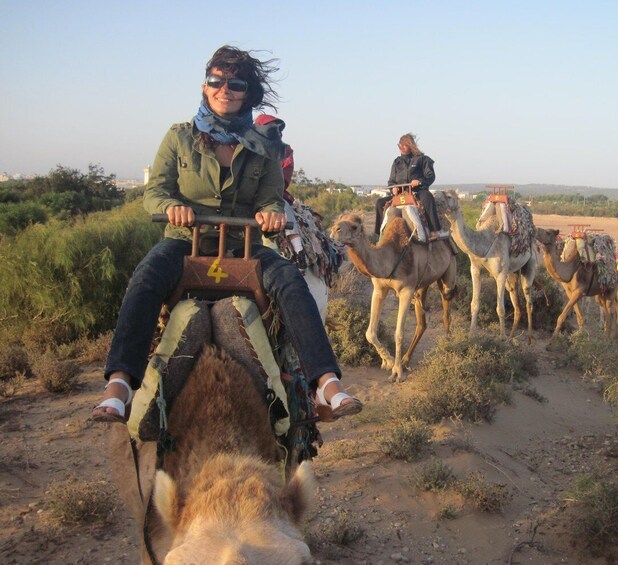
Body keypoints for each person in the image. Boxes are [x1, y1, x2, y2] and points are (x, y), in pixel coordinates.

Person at [92, 45, 361, 423]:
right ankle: (120, 383)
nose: (224, 90)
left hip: (243, 244)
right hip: (185, 242)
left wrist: (268, 216)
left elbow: (270, 199)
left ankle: (326, 383)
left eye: (235, 84)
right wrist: (171, 207)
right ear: (205, 87)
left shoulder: (266, 146)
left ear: (247, 93)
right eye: (216, 81)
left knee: (290, 279)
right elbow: (153, 193)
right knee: (146, 277)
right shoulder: (179, 137)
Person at [253, 113, 307, 271]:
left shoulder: (284, 152)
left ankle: (298, 250)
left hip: (272, 195)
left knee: (280, 207)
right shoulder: (246, 148)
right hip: (246, 195)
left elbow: (282, 178)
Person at [374, 133, 446, 240]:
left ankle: (435, 231)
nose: (401, 148)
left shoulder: (422, 159)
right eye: (400, 145)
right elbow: (391, 181)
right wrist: (393, 187)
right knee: (379, 203)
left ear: (411, 145)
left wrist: (420, 181)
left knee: (427, 197)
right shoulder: (397, 162)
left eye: (404, 145)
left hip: (418, 192)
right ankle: (379, 235)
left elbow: (430, 176)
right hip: (400, 194)